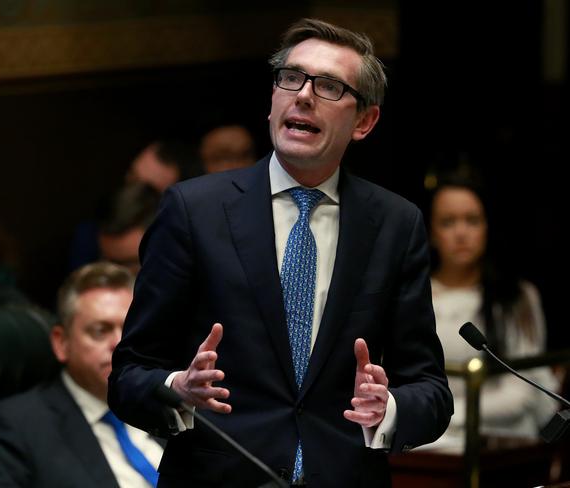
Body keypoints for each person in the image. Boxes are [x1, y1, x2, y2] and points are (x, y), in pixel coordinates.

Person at [109, 18, 452, 488]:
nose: (304, 95)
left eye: (329, 86)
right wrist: (178, 390)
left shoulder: (396, 224)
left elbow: (432, 391)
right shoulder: (194, 211)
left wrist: (387, 408)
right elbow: (128, 375)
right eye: (291, 78)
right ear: (272, 102)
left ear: (365, 121)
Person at [0, 262, 164, 488]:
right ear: (62, 342)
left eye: (129, 329)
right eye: (100, 331)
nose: (119, 344)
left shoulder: (167, 401)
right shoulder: (18, 426)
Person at [420, 170, 558, 450]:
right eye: (448, 222)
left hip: (500, 441)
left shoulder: (515, 297)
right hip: (429, 443)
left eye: (472, 220)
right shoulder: (413, 295)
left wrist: (447, 415)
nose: (461, 233)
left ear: (487, 226)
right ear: (432, 232)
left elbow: (522, 393)